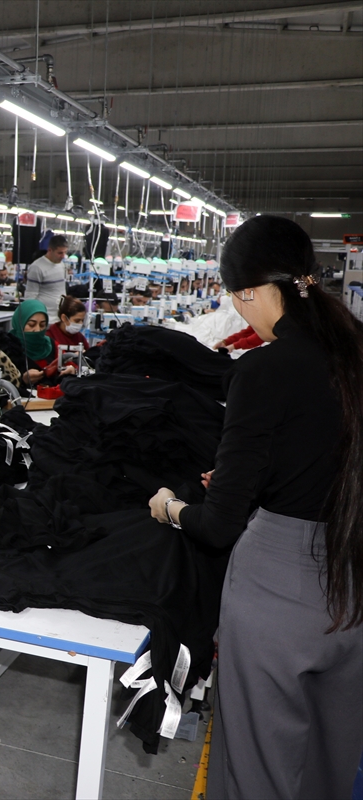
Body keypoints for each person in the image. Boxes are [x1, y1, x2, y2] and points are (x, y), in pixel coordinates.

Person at [147, 216, 363, 799]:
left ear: (246, 292)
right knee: (329, 766)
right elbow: (329, 457)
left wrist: (170, 507)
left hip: (281, 590)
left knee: (257, 772)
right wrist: (258, 479)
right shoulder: (354, 353)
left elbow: (218, 526)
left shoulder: (263, 369)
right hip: (354, 582)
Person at [24, 234, 68, 313]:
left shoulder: (61, 264)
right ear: (50, 250)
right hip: (44, 315)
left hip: (59, 315)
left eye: (65, 252)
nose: (63, 256)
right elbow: (30, 296)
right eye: (60, 253)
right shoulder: (36, 267)